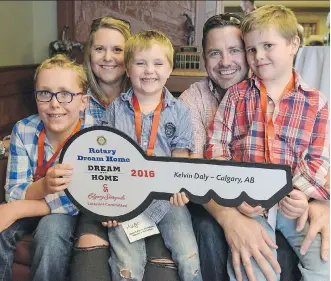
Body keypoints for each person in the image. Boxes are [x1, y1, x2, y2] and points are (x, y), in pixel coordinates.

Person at [179, 12, 330, 281]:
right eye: (252, 49)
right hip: (246, 200)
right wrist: (234, 196)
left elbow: (319, 157)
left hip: (290, 202)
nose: (259, 56)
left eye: (267, 46)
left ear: (294, 45)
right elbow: (212, 154)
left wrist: (307, 196)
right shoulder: (231, 97)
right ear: (204, 58)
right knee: (252, 265)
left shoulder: (316, 101)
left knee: (323, 258)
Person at [100, 29, 202, 281]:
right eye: (140, 63)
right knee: (127, 264)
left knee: (189, 255)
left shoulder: (180, 112)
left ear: (169, 69)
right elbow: (104, 160)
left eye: (158, 63)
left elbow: (180, 156)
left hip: (167, 198)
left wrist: (180, 188)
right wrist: (108, 203)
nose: (149, 70)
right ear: (127, 68)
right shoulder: (114, 111)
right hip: (126, 198)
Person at [0, 54, 91, 281]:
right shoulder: (24, 129)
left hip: (67, 214)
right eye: (44, 93)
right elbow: (13, 191)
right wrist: (42, 187)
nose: (54, 103)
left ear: (84, 102)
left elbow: (80, 200)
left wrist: (18, 209)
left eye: (66, 94)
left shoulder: (94, 136)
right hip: (35, 201)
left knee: (52, 231)